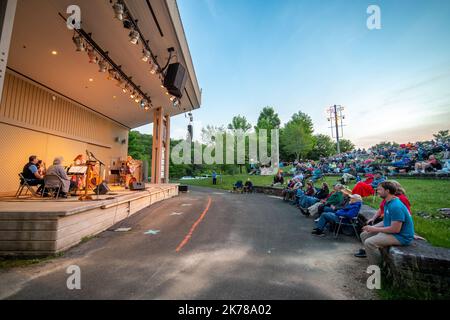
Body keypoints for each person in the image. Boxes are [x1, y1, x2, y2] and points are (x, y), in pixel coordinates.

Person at [359, 181, 415, 266]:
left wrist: (374, 229)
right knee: (364, 234)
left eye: (380, 189)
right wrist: (371, 227)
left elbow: (395, 229)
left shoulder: (396, 206)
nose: (377, 191)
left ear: (387, 191)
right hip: (395, 232)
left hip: (401, 236)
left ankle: (377, 268)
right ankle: (373, 258)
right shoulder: (388, 203)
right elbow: (386, 222)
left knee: (369, 242)